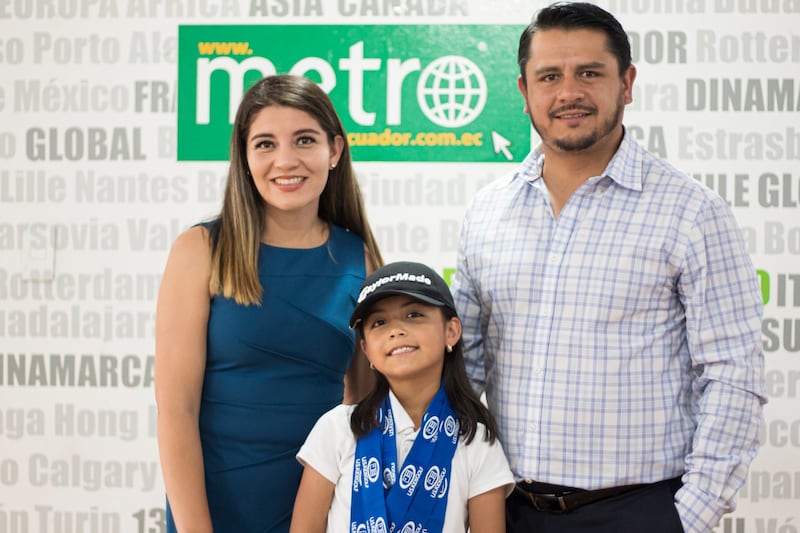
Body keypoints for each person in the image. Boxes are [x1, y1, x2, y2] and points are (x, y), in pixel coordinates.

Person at [450, 3, 767, 533]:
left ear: (627, 83)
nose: (569, 92)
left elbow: (734, 374)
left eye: (589, 73)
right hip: (504, 510)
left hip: (638, 512)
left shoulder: (692, 212)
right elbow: (465, 368)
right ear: (525, 93)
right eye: (549, 76)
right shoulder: (487, 211)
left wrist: (687, 516)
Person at [154, 74, 383, 532]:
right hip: (214, 504)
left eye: (304, 140)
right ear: (243, 155)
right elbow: (176, 410)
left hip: (319, 507)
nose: (285, 160)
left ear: (334, 150)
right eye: (264, 144)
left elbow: (365, 407)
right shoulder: (200, 249)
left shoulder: (362, 258)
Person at [289, 261, 515, 533]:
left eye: (414, 315)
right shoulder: (336, 428)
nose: (395, 330)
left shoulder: (476, 441)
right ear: (366, 349)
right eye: (379, 322)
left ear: (451, 331)